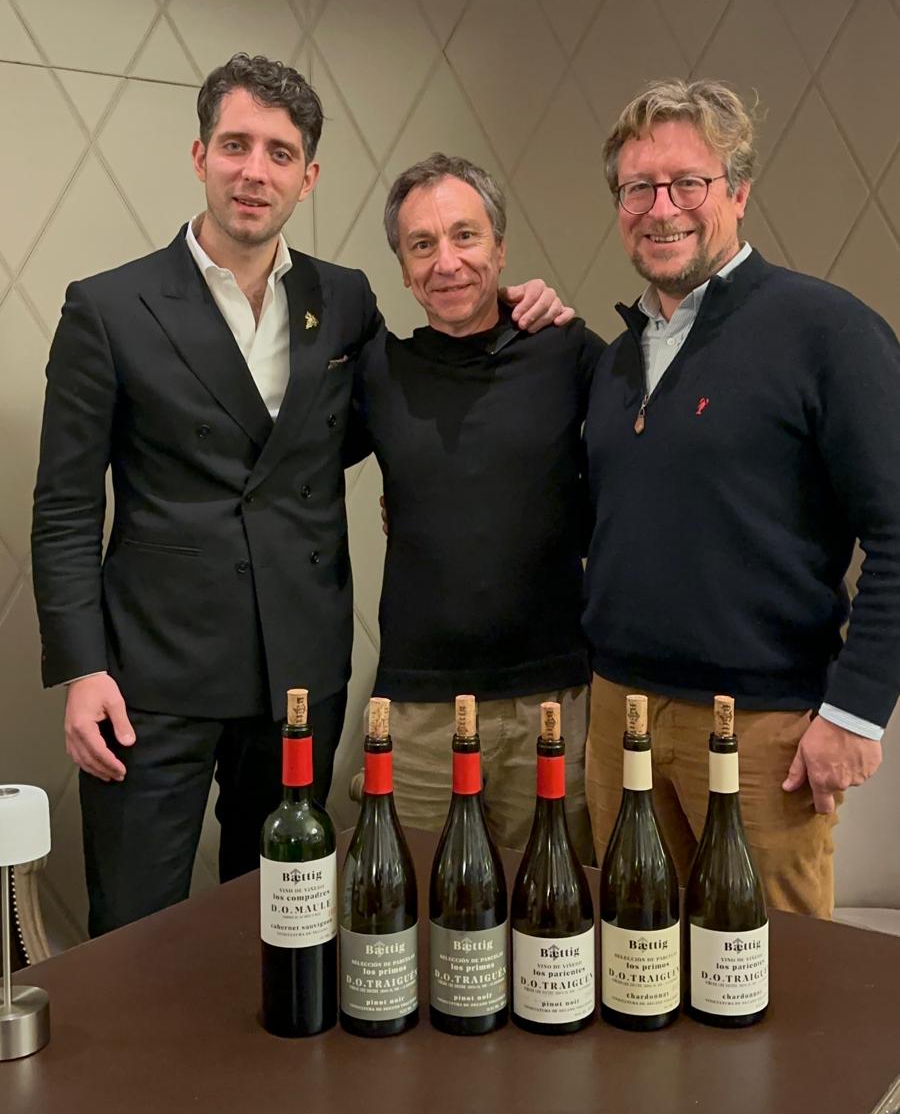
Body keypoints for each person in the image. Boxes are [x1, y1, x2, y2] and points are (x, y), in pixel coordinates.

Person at [31, 54, 567, 943]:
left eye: (280, 153)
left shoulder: (343, 299)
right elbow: (64, 508)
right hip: (148, 675)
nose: (256, 170)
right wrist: (83, 669)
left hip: (300, 673)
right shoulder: (110, 307)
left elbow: (410, 402)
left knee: (283, 925)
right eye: (236, 145)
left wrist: (512, 310)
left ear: (307, 177)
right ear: (200, 155)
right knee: (134, 932)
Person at [582, 77, 900, 918]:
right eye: (639, 188)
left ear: (739, 191)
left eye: (688, 182)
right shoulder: (616, 360)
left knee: (771, 976)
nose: (662, 209)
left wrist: (857, 713)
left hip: (762, 730)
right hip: (618, 718)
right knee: (634, 957)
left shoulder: (828, 332)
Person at [353, 154, 603, 861]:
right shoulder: (379, 371)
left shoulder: (568, 353)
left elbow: (645, 468)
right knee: (413, 906)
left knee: (554, 906)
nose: (447, 261)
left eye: (465, 236)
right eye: (422, 245)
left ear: (500, 247)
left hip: (552, 700)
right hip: (418, 710)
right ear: (404, 270)